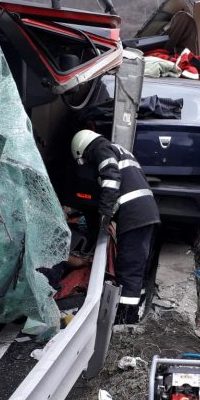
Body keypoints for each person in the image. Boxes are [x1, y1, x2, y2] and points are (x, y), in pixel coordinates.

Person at [71, 130, 160, 324]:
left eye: (85, 160)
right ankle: (136, 309)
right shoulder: (118, 149)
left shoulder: (100, 149)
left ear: (83, 150)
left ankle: (125, 319)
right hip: (146, 213)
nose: (88, 164)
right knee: (137, 266)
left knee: (128, 267)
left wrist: (105, 214)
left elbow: (111, 180)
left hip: (134, 216)